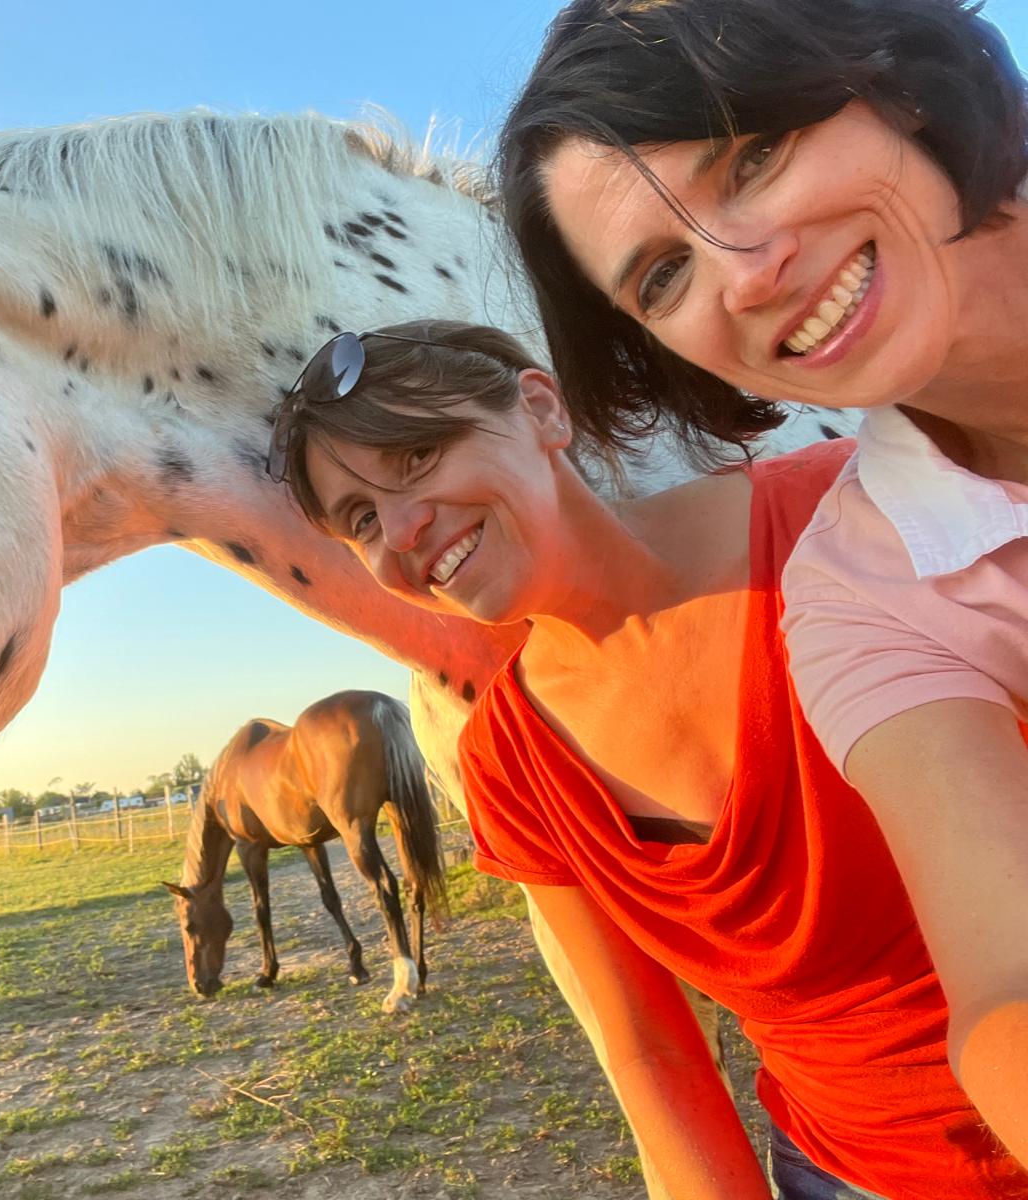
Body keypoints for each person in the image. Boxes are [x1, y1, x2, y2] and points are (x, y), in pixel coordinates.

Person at [270, 318, 1028, 1199]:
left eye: (418, 455)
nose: (401, 530)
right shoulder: (510, 763)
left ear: (542, 410)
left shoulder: (841, 515)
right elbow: (649, 1047)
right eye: (362, 519)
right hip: (841, 1174)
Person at [496, 0, 1028, 1172]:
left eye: (754, 156)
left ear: (891, 76)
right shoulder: (858, 594)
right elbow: (1006, 993)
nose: (743, 275)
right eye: (663, 275)